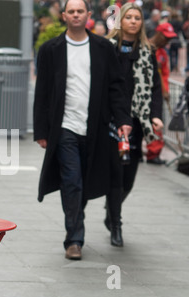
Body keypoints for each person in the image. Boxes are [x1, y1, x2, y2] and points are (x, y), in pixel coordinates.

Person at [33, 0, 132, 260]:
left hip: (96, 127)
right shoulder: (50, 50)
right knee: (72, 181)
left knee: (85, 183)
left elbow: (116, 86)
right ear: (64, 15)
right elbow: (42, 92)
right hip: (64, 128)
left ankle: (77, 212)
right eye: (71, 11)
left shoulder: (102, 48)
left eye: (80, 11)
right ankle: (74, 239)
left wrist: (123, 119)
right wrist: (41, 130)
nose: (76, 15)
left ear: (88, 15)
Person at [105, 2, 163, 246]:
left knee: (128, 178)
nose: (132, 21)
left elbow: (156, 87)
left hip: (138, 122)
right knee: (116, 174)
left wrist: (156, 115)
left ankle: (112, 208)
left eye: (137, 18)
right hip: (113, 122)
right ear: (121, 20)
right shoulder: (107, 48)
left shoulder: (148, 50)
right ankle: (116, 225)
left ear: (141, 22)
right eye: (128, 17)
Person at [145, 22, 177, 165]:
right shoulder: (145, 47)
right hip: (142, 92)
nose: (168, 41)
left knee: (156, 123)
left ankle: (153, 153)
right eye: (166, 38)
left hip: (155, 95)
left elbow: (164, 74)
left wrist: (166, 91)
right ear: (159, 34)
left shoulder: (163, 54)